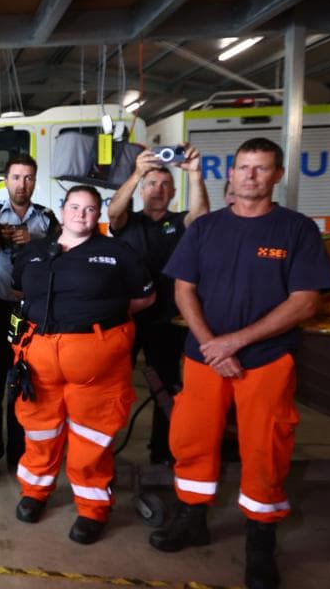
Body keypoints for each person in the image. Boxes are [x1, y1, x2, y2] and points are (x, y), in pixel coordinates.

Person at [149, 138, 330, 589]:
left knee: (264, 449)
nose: (251, 176)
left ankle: (259, 542)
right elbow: (183, 291)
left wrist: (236, 342)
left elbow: (305, 302)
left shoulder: (297, 230)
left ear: (277, 175)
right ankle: (193, 520)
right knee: (192, 440)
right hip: (203, 358)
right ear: (230, 174)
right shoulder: (205, 228)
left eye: (261, 168)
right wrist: (213, 344)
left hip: (267, 360)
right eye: (244, 168)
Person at [10, 186, 153, 543]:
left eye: (90, 209)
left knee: (92, 437)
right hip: (39, 362)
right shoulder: (34, 252)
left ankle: (92, 509)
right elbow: (20, 292)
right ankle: (35, 492)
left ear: (99, 214)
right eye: (75, 207)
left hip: (97, 369)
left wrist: (99, 320)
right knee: (39, 431)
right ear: (62, 210)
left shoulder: (117, 252)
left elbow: (145, 297)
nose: (81, 214)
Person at [108, 145, 208, 464]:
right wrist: (137, 171)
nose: (158, 190)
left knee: (165, 388)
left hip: (167, 320)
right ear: (141, 189)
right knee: (112, 386)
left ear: (173, 192)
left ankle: (162, 451)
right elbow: (112, 212)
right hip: (127, 319)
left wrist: (194, 174)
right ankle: (102, 450)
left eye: (165, 185)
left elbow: (201, 218)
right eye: (152, 184)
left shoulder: (180, 222)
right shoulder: (128, 222)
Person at [0, 154, 58, 481]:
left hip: (31, 314)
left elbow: (63, 257)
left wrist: (37, 242)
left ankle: (20, 456)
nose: (22, 184)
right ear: (6, 180)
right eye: (16, 177)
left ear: (35, 181)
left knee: (24, 387)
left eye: (29, 177)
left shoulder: (46, 221)